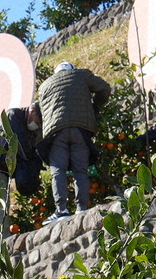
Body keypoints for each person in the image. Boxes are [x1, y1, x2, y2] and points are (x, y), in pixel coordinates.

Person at [35, 61, 111, 217]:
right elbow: (104, 88)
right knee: (80, 171)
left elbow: (41, 111)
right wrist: (95, 107)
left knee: (58, 171)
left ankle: (61, 209)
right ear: (72, 69)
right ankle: (81, 208)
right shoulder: (82, 75)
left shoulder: (44, 86)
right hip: (80, 129)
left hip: (56, 131)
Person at [0, 105, 45, 198]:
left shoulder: (27, 124)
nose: (38, 125)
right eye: (38, 121)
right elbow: (21, 146)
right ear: (32, 112)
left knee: (3, 206)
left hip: (3, 168)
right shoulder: (14, 115)